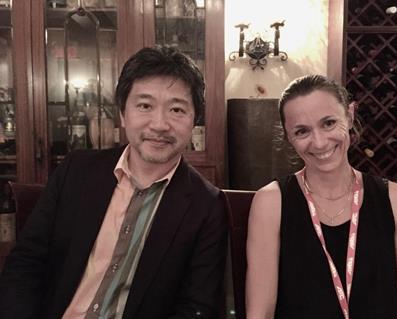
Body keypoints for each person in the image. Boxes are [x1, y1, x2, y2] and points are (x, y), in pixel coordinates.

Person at [0, 47, 228, 319]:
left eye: (177, 109)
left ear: (194, 121)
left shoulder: (207, 206)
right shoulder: (77, 171)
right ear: (122, 113)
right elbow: (26, 263)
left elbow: (196, 307)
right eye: (144, 105)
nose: (159, 124)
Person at [246, 74, 397, 319]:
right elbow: (259, 313)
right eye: (302, 131)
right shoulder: (270, 203)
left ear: (349, 115)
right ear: (288, 137)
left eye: (328, 123)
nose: (319, 142)